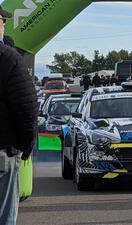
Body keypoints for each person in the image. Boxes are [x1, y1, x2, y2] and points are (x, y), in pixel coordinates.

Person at [0, 6, 38, 225]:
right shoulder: (8, 58)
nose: (4, 26)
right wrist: (26, 145)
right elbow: (27, 108)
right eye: (3, 21)